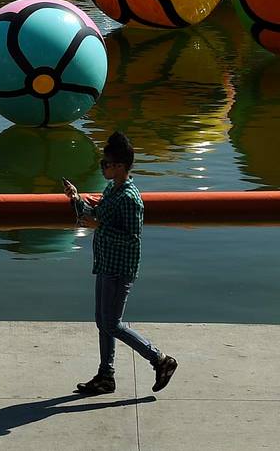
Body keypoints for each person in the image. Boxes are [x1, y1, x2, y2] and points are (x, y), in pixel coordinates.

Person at [62, 132, 178, 397]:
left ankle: (160, 360)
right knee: (102, 322)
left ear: (121, 167)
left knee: (112, 323)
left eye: (107, 163)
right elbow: (94, 217)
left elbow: (131, 236)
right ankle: (105, 376)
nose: (103, 166)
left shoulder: (130, 198)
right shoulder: (112, 190)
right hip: (105, 263)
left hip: (120, 268)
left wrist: (99, 225)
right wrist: (76, 198)